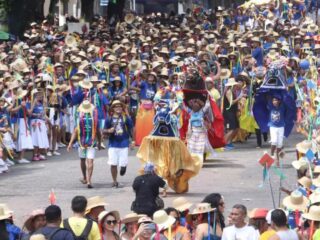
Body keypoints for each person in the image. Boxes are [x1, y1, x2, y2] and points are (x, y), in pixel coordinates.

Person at [67, 100, 101, 188]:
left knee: (82, 160)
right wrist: (100, 143)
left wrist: (70, 143)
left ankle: (85, 178)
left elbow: (75, 132)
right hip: (91, 143)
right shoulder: (95, 120)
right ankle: (89, 181)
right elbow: (98, 132)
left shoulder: (79, 119)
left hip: (81, 143)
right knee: (90, 161)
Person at [104, 100, 133, 188]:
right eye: (116, 106)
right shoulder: (109, 118)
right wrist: (108, 130)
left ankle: (124, 166)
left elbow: (132, 128)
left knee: (123, 165)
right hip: (113, 144)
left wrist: (133, 141)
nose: (118, 108)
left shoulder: (125, 118)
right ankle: (114, 181)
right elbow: (103, 130)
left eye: (120, 106)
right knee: (113, 164)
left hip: (124, 143)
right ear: (113, 108)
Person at [268, 96, 286, 166]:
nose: (275, 101)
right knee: (274, 141)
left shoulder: (282, 107)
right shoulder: (270, 107)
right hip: (272, 127)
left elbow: (285, 100)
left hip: (281, 127)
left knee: (280, 144)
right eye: (273, 100)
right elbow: (267, 98)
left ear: (279, 101)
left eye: (276, 100)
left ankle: (277, 158)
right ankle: (272, 156)